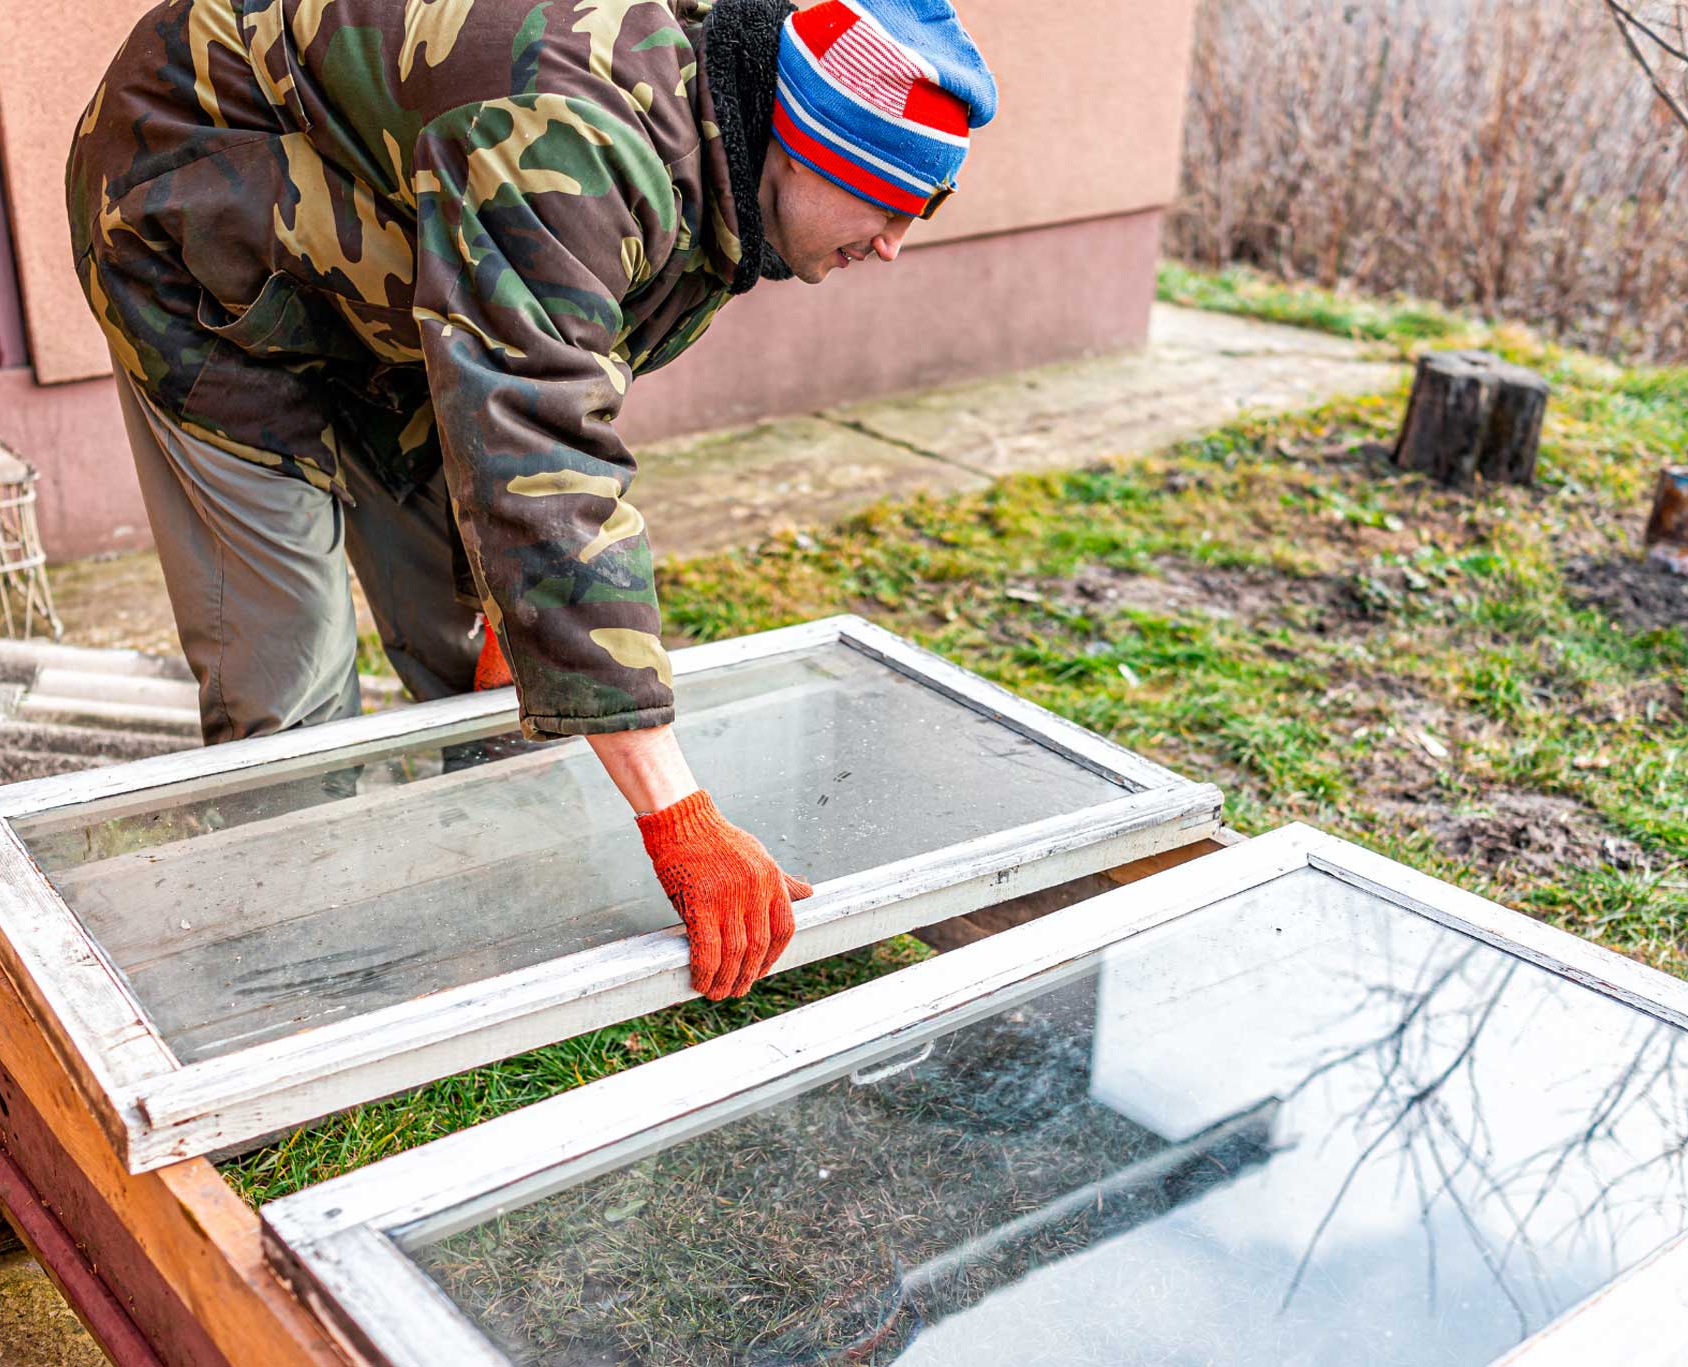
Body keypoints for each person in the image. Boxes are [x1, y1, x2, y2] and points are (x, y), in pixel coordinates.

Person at [67, 0, 997, 1000]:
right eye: (888, 201)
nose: (896, 242)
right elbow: (539, 448)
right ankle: (291, 987)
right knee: (286, 671)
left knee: (470, 635)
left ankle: (497, 918)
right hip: (197, 227)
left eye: (925, 208)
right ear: (803, 145)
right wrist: (676, 816)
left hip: (410, 274)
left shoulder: (721, 146)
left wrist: (528, 615)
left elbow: (553, 383)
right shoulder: (582, 132)